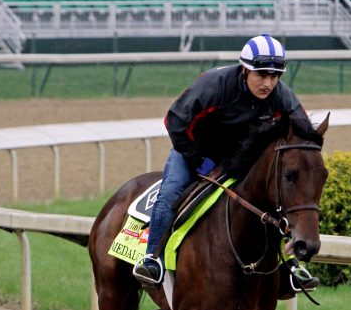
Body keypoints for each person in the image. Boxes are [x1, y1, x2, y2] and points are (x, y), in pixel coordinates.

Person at [133, 34, 320, 296]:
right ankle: (152, 258)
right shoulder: (215, 85)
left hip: (241, 157)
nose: (268, 83)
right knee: (170, 192)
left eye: (274, 76)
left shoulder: (281, 95)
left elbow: (301, 128)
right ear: (245, 69)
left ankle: (289, 265)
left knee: (275, 197)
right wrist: (199, 160)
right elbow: (173, 122)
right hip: (194, 152)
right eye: (261, 75)